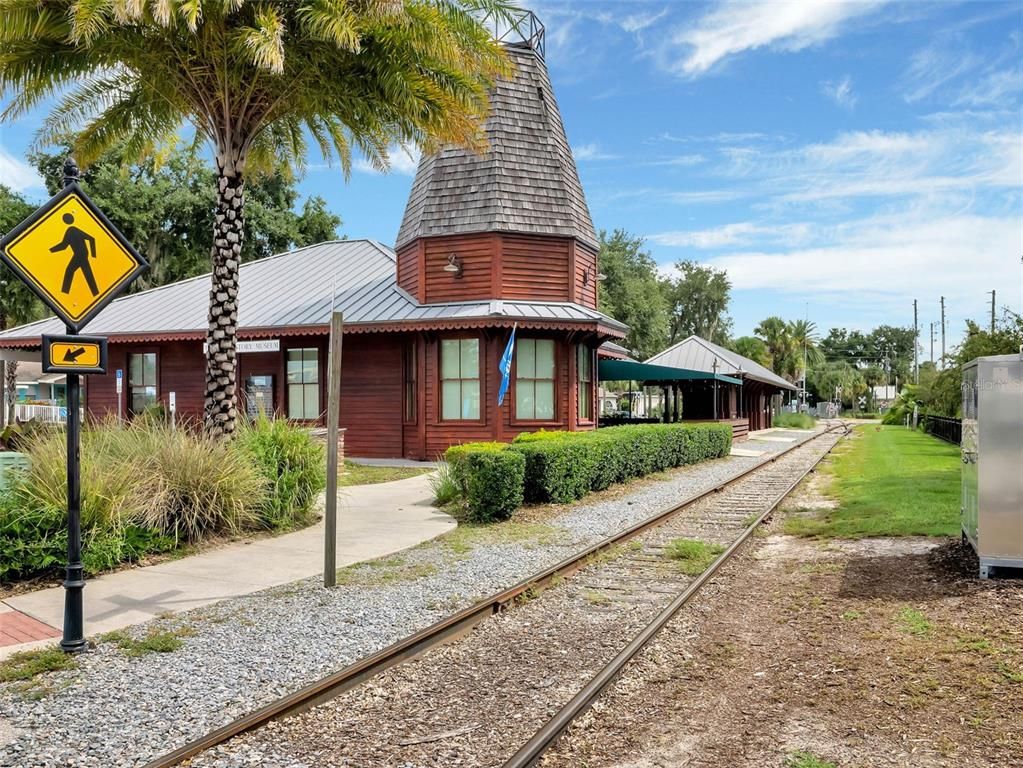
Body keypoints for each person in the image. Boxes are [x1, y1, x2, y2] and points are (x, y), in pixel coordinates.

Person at [51, 212, 99, 296]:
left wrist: (94, 255)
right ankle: (95, 293)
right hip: (81, 254)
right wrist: (51, 250)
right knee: (86, 273)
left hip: (80, 255)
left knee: (70, 271)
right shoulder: (72, 230)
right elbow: (64, 246)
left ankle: (64, 293)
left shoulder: (72, 230)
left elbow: (64, 245)